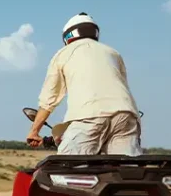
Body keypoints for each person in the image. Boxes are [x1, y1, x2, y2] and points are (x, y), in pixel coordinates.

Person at [26, 12, 142, 156]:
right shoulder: (113, 53)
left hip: (88, 116)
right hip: (126, 115)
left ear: (68, 36)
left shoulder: (63, 53)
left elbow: (49, 98)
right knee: (125, 171)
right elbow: (123, 85)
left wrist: (34, 131)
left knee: (68, 168)